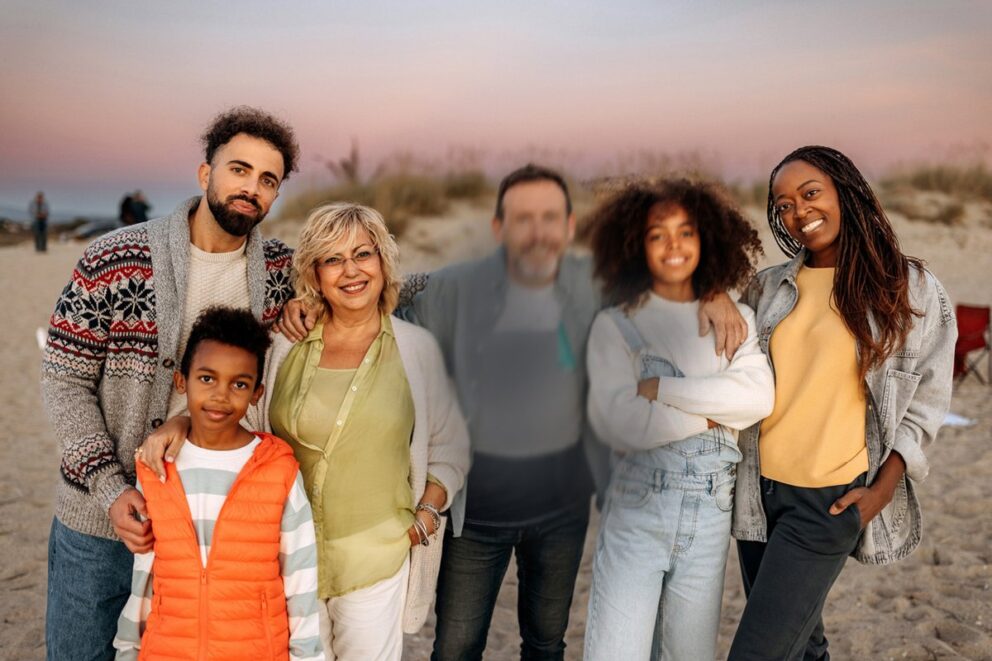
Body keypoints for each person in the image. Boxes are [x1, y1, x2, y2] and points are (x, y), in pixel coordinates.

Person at [279, 164, 748, 660]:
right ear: (499, 227)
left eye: (549, 218)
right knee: (456, 647)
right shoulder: (450, 290)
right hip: (474, 516)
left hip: (561, 514)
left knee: (545, 644)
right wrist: (305, 305)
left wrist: (715, 288)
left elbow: (664, 273)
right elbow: (377, 300)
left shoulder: (591, 287)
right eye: (522, 218)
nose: (536, 231)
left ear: (568, 227)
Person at [138, 203, 470, 660]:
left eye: (363, 254)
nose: (350, 271)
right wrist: (180, 419)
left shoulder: (418, 350)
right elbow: (241, 414)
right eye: (333, 259)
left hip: (375, 559)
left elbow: (449, 447)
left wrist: (424, 519)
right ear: (315, 272)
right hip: (284, 560)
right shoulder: (282, 345)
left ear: (383, 262)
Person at [41, 105, 300, 661]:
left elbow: (372, 281)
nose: (250, 188)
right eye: (238, 169)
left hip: (211, 530)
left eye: (267, 179)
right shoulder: (114, 258)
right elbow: (64, 380)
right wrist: (111, 490)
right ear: (205, 174)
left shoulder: (282, 273)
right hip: (101, 522)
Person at [729, 146, 957, 660]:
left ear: (845, 192)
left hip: (827, 504)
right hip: (759, 495)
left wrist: (883, 487)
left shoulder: (907, 286)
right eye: (783, 204)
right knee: (803, 646)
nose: (798, 212)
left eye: (810, 194)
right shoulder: (766, 288)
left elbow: (928, 398)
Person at [582, 179, 774, 660]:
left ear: (706, 237)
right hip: (637, 510)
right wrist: (712, 419)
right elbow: (620, 423)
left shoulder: (737, 320)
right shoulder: (616, 325)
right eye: (657, 234)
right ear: (635, 246)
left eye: (686, 231)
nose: (674, 246)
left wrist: (663, 391)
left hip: (711, 516)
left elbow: (757, 398)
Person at [113, 307, 322, 660]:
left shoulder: (278, 469)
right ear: (182, 382)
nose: (221, 395)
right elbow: (145, 576)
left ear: (257, 393)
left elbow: (301, 577)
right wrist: (129, 649)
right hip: (168, 649)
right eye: (207, 378)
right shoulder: (155, 467)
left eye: (239, 384)